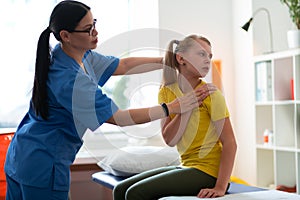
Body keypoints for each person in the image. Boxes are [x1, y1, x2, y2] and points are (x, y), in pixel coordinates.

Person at [4, 1, 213, 200]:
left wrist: (165, 61)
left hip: (22, 154)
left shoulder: (75, 54)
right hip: (42, 166)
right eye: (87, 29)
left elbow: (122, 65)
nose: (95, 32)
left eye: (94, 24)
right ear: (65, 35)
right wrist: (172, 107)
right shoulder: (71, 80)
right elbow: (120, 118)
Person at [113, 35, 237, 199]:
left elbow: (230, 143)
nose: (208, 60)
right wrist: (185, 108)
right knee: (120, 190)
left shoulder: (210, 94)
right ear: (181, 58)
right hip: (187, 165)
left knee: (135, 193)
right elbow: (170, 140)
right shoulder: (166, 91)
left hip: (208, 171)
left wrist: (220, 187)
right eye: (201, 54)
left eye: (210, 56)